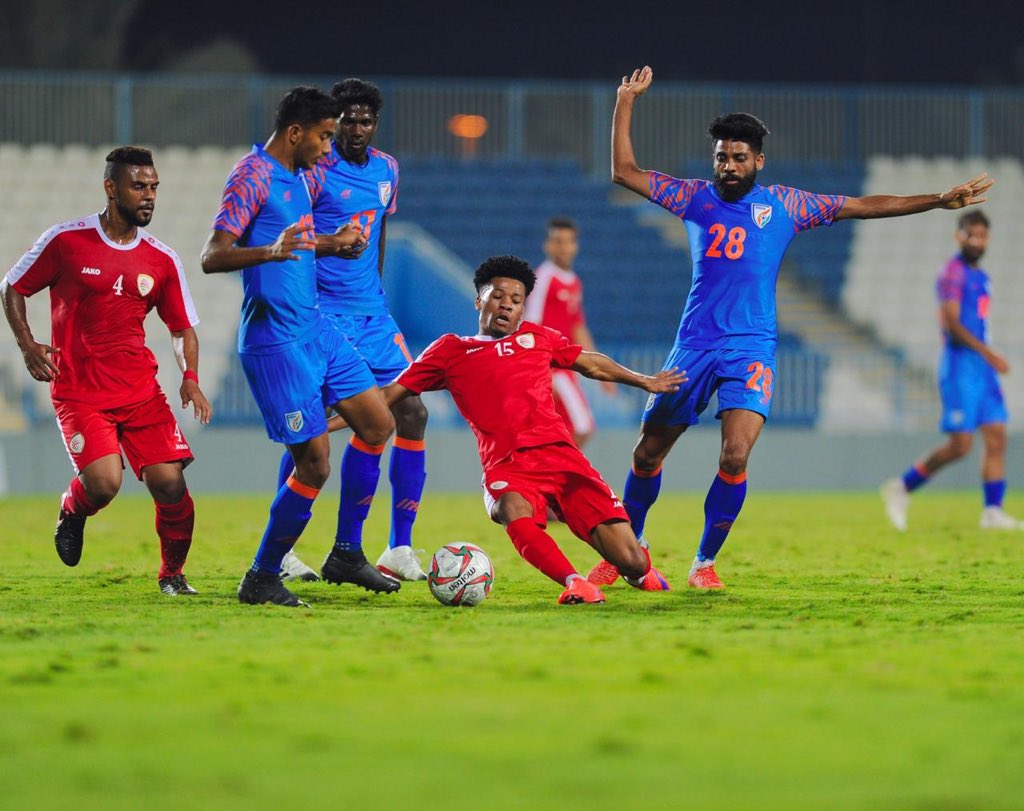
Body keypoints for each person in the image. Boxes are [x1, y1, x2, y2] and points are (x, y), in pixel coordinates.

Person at [608, 65, 994, 590]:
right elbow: (625, 172)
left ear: (758, 161)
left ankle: (704, 563)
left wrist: (936, 200)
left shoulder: (786, 205)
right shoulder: (692, 196)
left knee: (736, 453)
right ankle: (628, 549)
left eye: (738, 157)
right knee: (648, 452)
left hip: (751, 349)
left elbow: (864, 206)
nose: (728, 164)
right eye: (721, 155)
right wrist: (625, 101)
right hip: (693, 345)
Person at [333, 255, 681, 604]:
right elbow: (388, 395)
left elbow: (591, 363)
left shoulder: (538, 337)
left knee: (631, 562)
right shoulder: (451, 351)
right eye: (499, 296)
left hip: (562, 458)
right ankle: (574, 582)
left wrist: (644, 380)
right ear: (479, 300)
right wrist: (331, 422)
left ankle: (642, 569)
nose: (507, 305)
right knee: (511, 508)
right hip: (508, 467)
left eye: (517, 301)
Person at [200, 86, 398, 607]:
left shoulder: (299, 178)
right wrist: (270, 250)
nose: (328, 148)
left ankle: (347, 553)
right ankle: (263, 575)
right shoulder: (254, 174)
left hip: (318, 330)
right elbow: (212, 256)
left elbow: (300, 237)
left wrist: (332, 243)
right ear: (295, 134)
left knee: (379, 422)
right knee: (314, 463)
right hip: (276, 341)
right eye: (324, 136)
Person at [1, 146, 212, 596]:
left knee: (171, 484)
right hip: (80, 393)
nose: (149, 195)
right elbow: (12, 287)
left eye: (154, 186)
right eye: (139, 186)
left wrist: (189, 376)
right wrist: (27, 344)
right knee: (103, 483)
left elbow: (182, 329)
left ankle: (172, 576)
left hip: (141, 393)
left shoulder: (161, 259)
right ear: (111, 188)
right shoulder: (67, 241)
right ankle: (72, 510)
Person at [276, 77, 430, 584]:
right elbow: (290, 239)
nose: (357, 128)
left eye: (366, 120)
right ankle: (280, 550)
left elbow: (379, 232)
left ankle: (394, 547)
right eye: (348, 120)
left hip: (372, 314)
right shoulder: (316, 171)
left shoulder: (387, 169)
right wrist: (331, 244)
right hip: (323, 313)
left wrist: (377, 291)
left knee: (411, 409)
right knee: (310, 428)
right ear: (332, 122)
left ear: (375, 124)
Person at [882, 211, 1018, 530]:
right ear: (959, 236)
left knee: (997, 436)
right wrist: (990, 354)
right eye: (971, 235)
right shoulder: (953, 274)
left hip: (981, 367)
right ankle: (902, 487)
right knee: (961, 445)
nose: (977, 241)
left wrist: (987, 356)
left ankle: (993, 511)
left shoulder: (981, 276)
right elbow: (953, 325)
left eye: (982, 236)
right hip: (960, 366)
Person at [524, 216, 615, 448]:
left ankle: (548, 479)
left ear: (576, 245)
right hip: (552, 368)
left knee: (563, 432)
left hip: (566, 367)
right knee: (581, 427)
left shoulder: (573, 281)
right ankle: (556, 479)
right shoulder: (544, 278)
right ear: (547, 245)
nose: (563, 247)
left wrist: (601, 368)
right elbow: (530, 326)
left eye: (568, 242)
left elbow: (577, 327)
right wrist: (540, 372)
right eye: (558, 241)